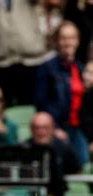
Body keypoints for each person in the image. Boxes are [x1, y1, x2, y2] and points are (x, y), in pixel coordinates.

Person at [34, 21, 89, 166]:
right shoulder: (47, 68)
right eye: (63, 38)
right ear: (57, 41)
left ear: (77, 41)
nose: (67, 42)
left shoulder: (82, 68)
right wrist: (55, 129)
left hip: (79, 129)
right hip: (58, 129)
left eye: (71, 38)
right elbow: (41, 103)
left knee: (81, 165)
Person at [26, 112, 81, 196]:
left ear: (52, 128)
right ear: (31, 129)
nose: (41, 132)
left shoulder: (64, 148)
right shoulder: (24, 149)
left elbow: (76, 170)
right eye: (37, 128)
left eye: (45, 128)